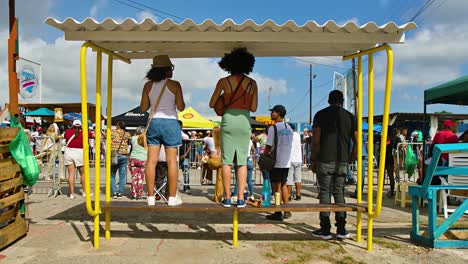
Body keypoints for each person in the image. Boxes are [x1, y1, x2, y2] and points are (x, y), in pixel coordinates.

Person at [209, 47, 258, 208]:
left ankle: (227, 197)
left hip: (228, 119)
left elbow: (211, 104)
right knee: (242, 161)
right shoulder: (252, 83)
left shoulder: (224, 81)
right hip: (244, 121)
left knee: (226, 161)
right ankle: (241, 198)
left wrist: (224, 97)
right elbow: (254, 107)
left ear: (228, 64)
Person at [311, 90, 357, 240]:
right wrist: (351, 158)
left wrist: (313, 159)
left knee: (324, 193)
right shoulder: (351, 117)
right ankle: (341, 229)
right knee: (339, 193)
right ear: (342, 101)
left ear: (329, 100)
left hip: (324, 160)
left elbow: (316, 140)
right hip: (342, 161)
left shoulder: (320, 115)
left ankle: (325, 229)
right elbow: (357, 142)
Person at [140, 54, 185, 206]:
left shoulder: (147, 86)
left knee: (151, 161)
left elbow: (143, 107)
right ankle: (172, 197)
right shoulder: (175, 85)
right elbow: (181, 106)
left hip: (154, 121)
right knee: (172, 161)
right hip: (171, 122)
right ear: (166, 70)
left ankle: (151, 197)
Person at [264, 105, 293, 221]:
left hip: (276, 161)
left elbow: (268, 146)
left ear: (279, 114)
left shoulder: (273, 128)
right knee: (284, 185)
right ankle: (286, 210)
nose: (271, 114)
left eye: (273, 112)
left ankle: (278, 211)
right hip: (286, 161)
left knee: (276, 187)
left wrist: (264, 156)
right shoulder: (289, 127)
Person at [63, 120, 94, 199]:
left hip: (69, 152)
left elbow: (64, 136)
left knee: (71, 173)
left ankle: (72, 193)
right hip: (80, 152)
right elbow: (95, 135)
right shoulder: (85, 133)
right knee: (83, 174)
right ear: (80, 126)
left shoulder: (68, 132)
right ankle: (84, 192)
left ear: (72, 125)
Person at [427, 120, 459, 185]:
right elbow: (456, 149)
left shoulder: (439, 134)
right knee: (447, 176)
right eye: (452, 126)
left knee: (435, 175)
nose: (452, 127)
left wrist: (429, 156)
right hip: (451, 159)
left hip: (439, 158)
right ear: (448, 127)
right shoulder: (454, 136)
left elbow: (433, 146)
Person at [110, 121, 131, 199]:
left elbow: (104, 136)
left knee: (112, 175)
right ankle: (120, 193)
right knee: (122, 176)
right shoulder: (127, 134)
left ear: (118, 125)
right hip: (124, 155)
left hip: (114, 155)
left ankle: (114, 192)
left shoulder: (112, 132)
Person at [128, 126, 148, 200]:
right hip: (143, 159)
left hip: (133, 158)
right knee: (140, 178)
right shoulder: (146, 138)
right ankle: (139, 195)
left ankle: (133, 195)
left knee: (134, 178)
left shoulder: (133, 138)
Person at [287, 123, 303, 201]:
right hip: (298, 159)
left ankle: (289, 195)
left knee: (289, 179)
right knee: (298, 178)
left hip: (290, 159)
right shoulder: (298, 135)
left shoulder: (288, 135)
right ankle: (298, 194)